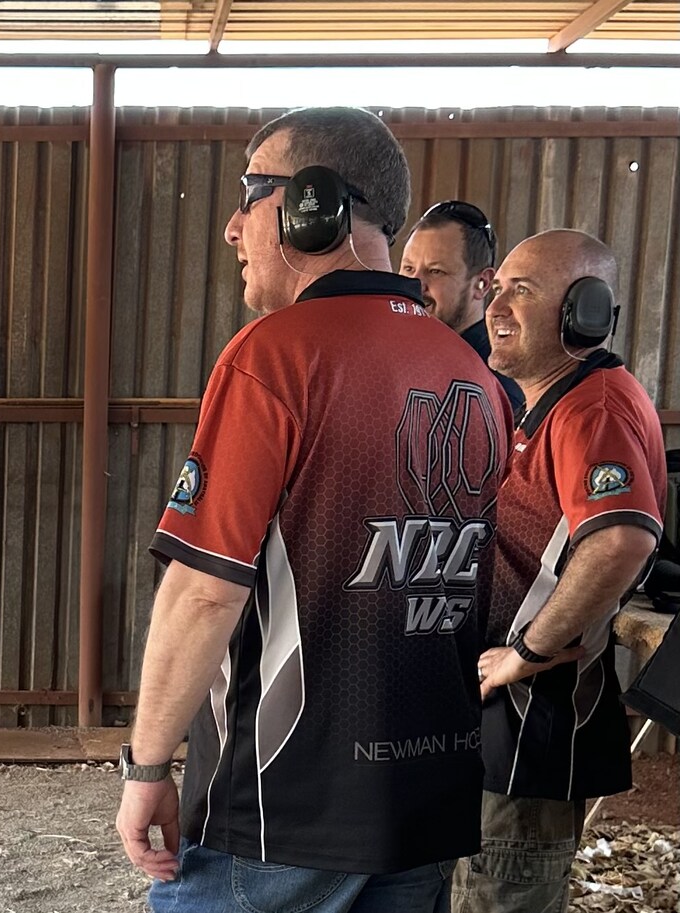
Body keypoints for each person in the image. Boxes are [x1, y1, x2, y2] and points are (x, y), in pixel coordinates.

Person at [115, 107, 512, 913]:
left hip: (282, 814)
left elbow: (205, 591)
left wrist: (146, 766)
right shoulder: (475, 376)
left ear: (313, 204)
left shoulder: (275, 356)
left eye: (250, 194)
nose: (232, 228)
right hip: (425, 805)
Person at [453, 230, 666, 913]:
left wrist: (525, 651)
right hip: (508, 730)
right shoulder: (556, 406)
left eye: (523, 291)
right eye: (497, 288)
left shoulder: (591, 410)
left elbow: (622, 540)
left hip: (532, 728)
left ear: (585, 312)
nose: (496, 306)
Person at [400, 199, 525, 413]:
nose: (415, 284)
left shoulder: (498, 384)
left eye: (435, 271)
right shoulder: (399, 356)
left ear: (482, 283)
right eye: (409, 269)